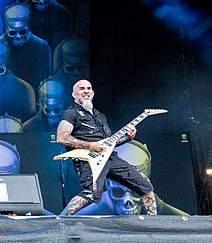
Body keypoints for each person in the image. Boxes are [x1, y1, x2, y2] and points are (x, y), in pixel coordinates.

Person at [55, 79, 157, 216]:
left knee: (146, 186)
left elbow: (107, 145)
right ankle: (60, 220)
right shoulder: (71, 113)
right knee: (90, 194)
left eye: (89, 88)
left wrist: (128, 138)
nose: (86, 91)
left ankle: (154, 223)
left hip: (110, 158)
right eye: (82, 89)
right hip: (89, 159)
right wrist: (90, 145)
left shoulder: (100, 116)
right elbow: (62, 137)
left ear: (93, 92)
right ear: (74, 94)